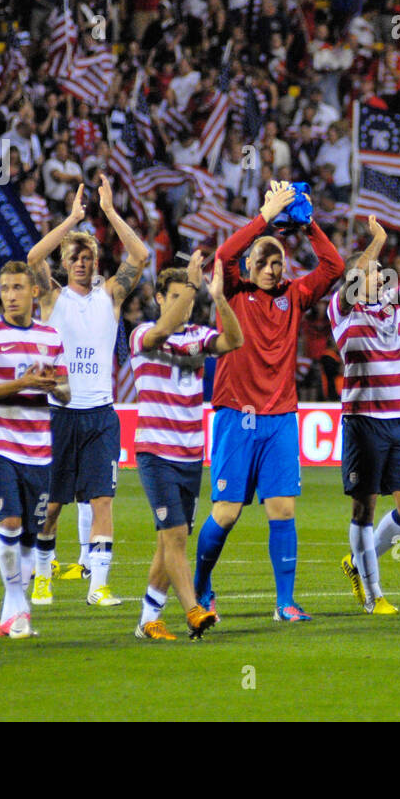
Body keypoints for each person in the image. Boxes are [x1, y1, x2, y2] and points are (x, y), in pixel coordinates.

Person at [192, 182, 345, 622]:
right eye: (265, 261)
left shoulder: (294, 296)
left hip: (280, 418)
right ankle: (202, 587)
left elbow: (333, 266)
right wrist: (264, 217)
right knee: (226, 513)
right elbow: (222, 257)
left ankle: (285, 603)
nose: (273, 269)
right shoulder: (235, 291)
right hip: (235, 416)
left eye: (279, 262)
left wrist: (307, 222)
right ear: (251, 265)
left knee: (283, 508)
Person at [27, 176, 150, 608]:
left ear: (96, 261)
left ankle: (98, 586)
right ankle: (42, 576)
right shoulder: (51, 299)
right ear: (65, 262)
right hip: (59, 414)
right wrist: (73, 219)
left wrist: (110, 212)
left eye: (87, 256)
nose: (80, 262)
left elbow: (140, 255)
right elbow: (32, 256)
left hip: (101, 415)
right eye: (73, 257)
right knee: (54, 504)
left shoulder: (111, 297)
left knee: (103, 500)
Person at [330, 198, 400, 615]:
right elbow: (355, 276)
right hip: (362, 422)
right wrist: (375, 241)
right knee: (364, 507)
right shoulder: (341, 310)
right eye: (376, 273)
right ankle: (374, 594)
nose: (381, 276)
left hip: (399, 420)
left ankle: (356, 562)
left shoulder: (393, 303)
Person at [129, 254, 241, 641]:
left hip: (191, 454)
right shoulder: (143, 334)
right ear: (160, 299)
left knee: (169, 539)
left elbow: (233, 341)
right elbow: (161, 334)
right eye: (175, 296)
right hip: (156, 451)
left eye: (187, 299)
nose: (184, 304)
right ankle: (193, 610)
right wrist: (192, 286)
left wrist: (219, 297)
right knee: (174, 535)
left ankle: (148, 619)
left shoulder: (197, 337)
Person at [0, 262, 71, 639]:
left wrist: (50, 385)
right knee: (9, 522)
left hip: (39, 448)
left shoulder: (50, 336)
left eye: (18, 288)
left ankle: (13, 614)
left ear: (34, 292)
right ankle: (15, 608)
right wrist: (23, 382)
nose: (10, 295)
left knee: (30, 534)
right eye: (5, 288)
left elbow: (66, 391)